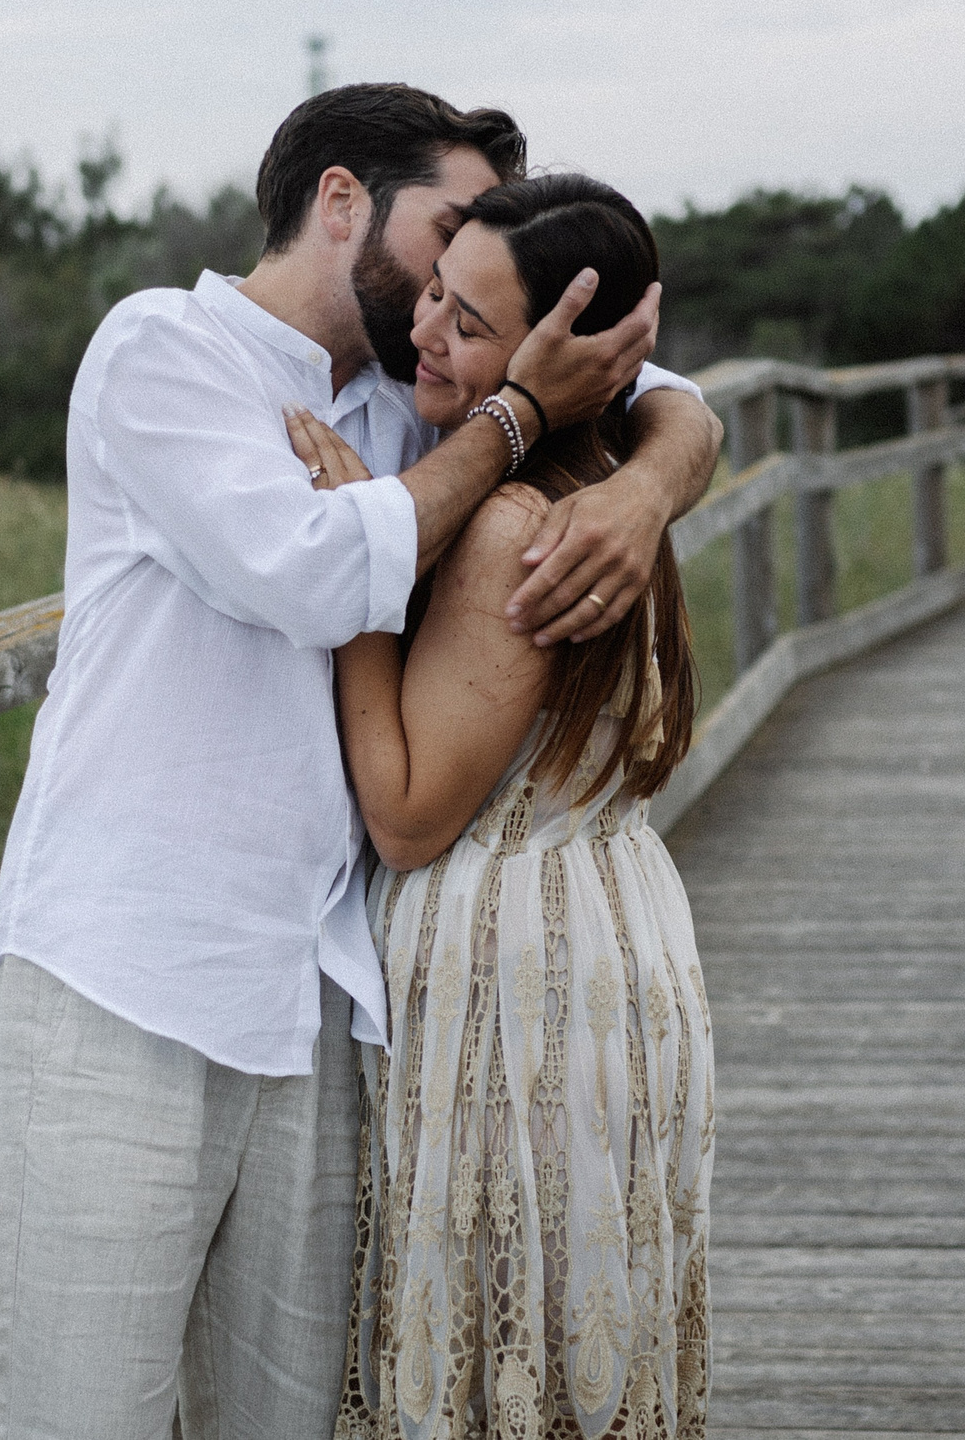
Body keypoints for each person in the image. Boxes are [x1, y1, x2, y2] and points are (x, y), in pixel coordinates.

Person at [0, 90, 723, 1440]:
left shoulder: (405, 397)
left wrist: (646, 482)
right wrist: (511, 416)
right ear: (340, 202)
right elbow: (318, 571)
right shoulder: (166, 348)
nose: (449, 286)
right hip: (129, 974)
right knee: (76, 1411)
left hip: (319, 995)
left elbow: (658, 392)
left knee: (293, 1417)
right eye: (446, 231)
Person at [284, 175, 711, 1440]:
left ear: (562, 360)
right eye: (432, 295)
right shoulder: (610, 479)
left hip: (515, 978)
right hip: (611, 927)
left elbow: (409, 815)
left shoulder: (510, 526)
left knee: (498, 1354)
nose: (423, 332)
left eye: (468, 326)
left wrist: (357, 568)